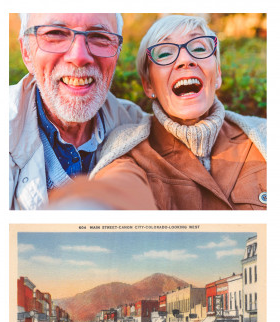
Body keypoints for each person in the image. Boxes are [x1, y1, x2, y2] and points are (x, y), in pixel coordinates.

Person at [49, 14, 267, 210]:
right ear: (149, 85)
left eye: (199, 49)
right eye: (165, 53)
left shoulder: (264, 135)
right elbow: (119, 188)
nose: (185, 60)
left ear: (217, 74)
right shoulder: (129, 150)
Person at [9, 13, 150, 210]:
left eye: (99, 36)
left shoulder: (138, 127)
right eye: (55, 33)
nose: (79, 57)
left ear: (117, 53)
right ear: (26, 51)